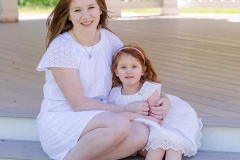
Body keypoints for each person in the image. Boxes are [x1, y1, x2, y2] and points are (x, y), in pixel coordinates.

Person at [36, 0, 171, 159]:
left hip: (104, 116)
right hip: (63, 118)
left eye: (91, 8)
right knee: (119, 124)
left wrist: (164, 99)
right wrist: (126, 110)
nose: (86, 16)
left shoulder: (110, 40)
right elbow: (78, 104)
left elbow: (130, 76)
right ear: (69, 16)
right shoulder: (62, 47)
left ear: (100, 10)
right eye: (78, 10)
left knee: (141, 132)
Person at [108, 44, 203, 160]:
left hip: (160, 125)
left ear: (143, 71)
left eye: (134, 67)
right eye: (123, 67)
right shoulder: (114, 94)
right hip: (139, 134)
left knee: (170, 146)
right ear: (116, 71)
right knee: (157, 146)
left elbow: (157, 119)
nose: (129, 71)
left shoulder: (148, 90)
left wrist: (130, 115)